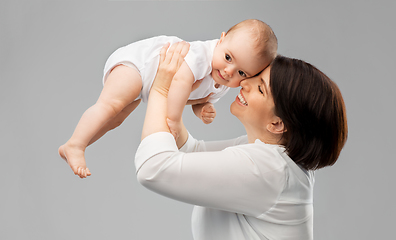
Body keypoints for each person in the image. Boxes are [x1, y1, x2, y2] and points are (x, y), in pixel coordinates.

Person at [135, 42, 348, 239]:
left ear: (276, 124)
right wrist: (179, 96)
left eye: (260, 88)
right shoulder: (267, 154)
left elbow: (152, 168)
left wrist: (160, 88)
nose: (245, 82)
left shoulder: (269, 170)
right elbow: (191, 151)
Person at [58, 19, 278, 178]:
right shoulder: (201, 55)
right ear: (221, 40)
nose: (229, 71)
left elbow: (195, 98)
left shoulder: (222, 81)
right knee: (110, 106)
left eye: (242, 73)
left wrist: (203, 109)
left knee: (116, 119)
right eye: (228, 57)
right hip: (140, 64)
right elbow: (181, 82)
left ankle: (78, 144)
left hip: (148, 86)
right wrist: (172, 119)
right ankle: (76, 145)